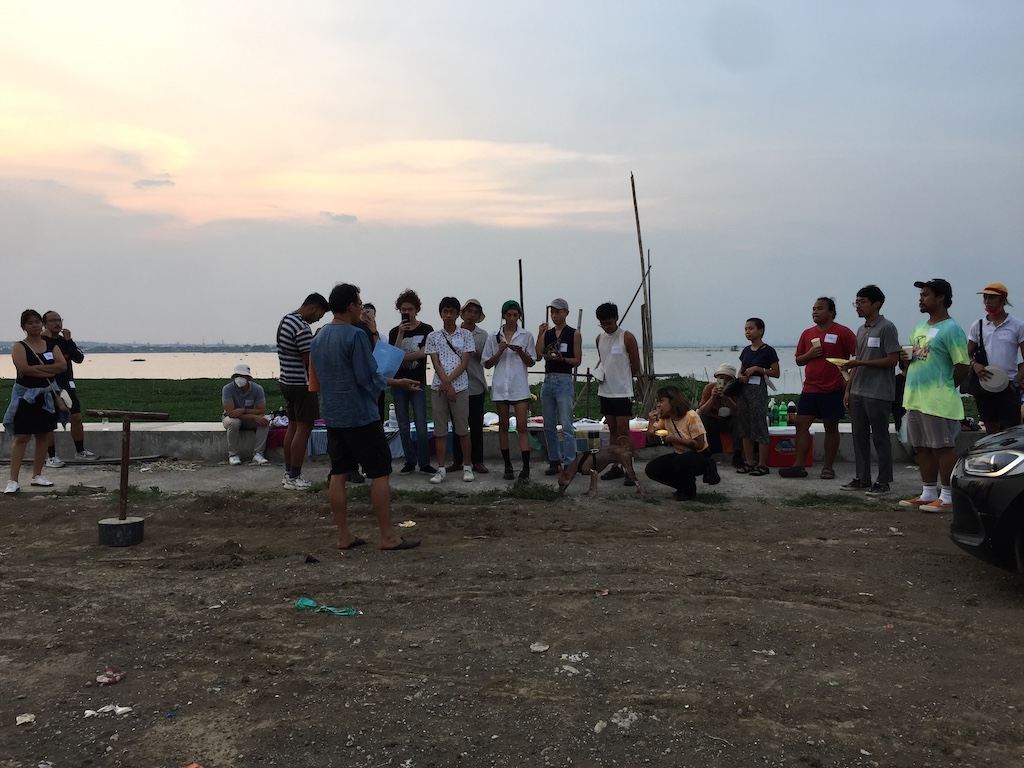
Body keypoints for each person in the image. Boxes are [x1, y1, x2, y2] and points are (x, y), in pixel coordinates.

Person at [310, 283, 419, 551]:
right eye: (359, 303)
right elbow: (367, 377)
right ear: (351, 306)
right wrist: (387, 385)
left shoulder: (319, 337)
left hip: (334, 415)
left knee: (339, 472)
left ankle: (343, 534)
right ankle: (388, 536)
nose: (361, 307)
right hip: (360, 415)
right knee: (380, 472)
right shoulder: (355, 336)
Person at [898, 279, 970, 512]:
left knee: (942, 447)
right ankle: (928, 492)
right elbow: (913, 359)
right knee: (922, 447)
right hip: (915, 397)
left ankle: (948, 496)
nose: (921, 298)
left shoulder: (952, 329)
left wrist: (947, 387)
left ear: (941, 298)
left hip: (937, 399)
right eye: (921, 294)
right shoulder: (920, 327)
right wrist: (905, 360)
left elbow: (962, 365)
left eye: (926, 294)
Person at [778, 298, 857, 480]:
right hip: (810, 388)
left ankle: (828, 467)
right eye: (813, 309)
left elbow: (857, 355)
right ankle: (799, 465)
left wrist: (849, 380)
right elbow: (798, 360)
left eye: (820, 309)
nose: (815, 312)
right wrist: (810, 354)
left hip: (833, 388)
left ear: (831, 312)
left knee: (831, 427)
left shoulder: (842, 332)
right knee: (801, 424)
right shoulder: (807, 334)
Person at [840, 285, 901, 496]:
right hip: (858, 390)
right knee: (859, 436)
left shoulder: (887, 328)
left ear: (876, 304)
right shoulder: (861, 330)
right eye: (856, 302)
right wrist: (848, 389)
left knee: (881, 437)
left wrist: (861, 363)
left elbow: (892, 359)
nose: (858, 306)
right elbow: (857, 362)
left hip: (878, 392)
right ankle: (862, 477)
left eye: (862, 302)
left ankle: (883, 481)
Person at [4, 310, 67, 493]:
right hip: (26, 397)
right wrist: (48, 370)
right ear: (24, 326)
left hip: (46, 396)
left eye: (37, 322)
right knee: (22, 437)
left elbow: (62, 366)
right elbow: (24, 369)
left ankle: (37, 475)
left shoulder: (50, 346)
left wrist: (37, 367)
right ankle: (13, 480)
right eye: (30, 323)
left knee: (43, 435)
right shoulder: (19, 346)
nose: (35, 325)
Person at [277, 293, 329, 490]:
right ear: (313, 307)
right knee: (304, 428)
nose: (318, 319)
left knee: (292, 427)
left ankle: (288, 472)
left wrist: (313, 339)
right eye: (320, 315)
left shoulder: (287, 320)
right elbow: (309, 359)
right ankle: (295, 475)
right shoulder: (301, 326)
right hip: (302, 383)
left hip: (286, 380)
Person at [483, 300, 537, 481]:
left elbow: (531, 361)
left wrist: (520, 351)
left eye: (515, 315)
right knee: (503, 426)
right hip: (500, 386)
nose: (512, 318)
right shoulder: (494, 336)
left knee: (522, 426)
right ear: (503, 315)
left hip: (519, 386)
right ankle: (508, 466)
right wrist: (499, 351)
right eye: (509, 315)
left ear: (519, 316)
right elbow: (487, 363)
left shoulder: (526, 335)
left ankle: (526, 468)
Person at [424, 297, 476, 484]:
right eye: (445, 311)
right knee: (440, 431)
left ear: (457, 314)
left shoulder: (466, 335)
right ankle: (441, 469)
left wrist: (450, 383)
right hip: (439, 388)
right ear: (440, 314)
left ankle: (467, 467)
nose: (448, 315)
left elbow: (464, 363)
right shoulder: (433, 336)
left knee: (463, 429)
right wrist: (445, 384)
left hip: (460, 387)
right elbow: (435, 362)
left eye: (452, 312)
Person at [966, 282, 1024, 434]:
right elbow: (967, 353)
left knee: (1012, 429)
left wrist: (1016, 383)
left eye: (992, 298)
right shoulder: (978, 325)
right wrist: (975, 364)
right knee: (991, 429)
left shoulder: (1017, 325)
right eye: (985, 298)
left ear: (1003, 300)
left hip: (1008, 384)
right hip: (985, 384)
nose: (987, 301)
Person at [388, 289, 435, 475]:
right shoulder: (394, 331)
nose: (407, 312)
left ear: (417, 309)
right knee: (403, 423)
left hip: (418, 381)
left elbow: (425, 352)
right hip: (398, 382)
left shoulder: (426, 329)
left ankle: (424, 463)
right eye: (403, 309)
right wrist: (400, 334)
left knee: (421, 422)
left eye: (410, 308)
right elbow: (393, 355)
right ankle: (409, 461)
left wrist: (404, 356)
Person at [41, 310, 96, 466]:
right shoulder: (41, 342)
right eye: (53, 320)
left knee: (76, 417)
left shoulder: (65, 341)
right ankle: (51, 456)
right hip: (48, 386)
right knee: (49, 422)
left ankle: (80, 451)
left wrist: (69, 341)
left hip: (67, 386)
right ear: (45, 324)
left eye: (59, 320)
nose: (57, 323)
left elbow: (79, 358)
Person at [594, 302, 641, 484]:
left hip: (622, 391)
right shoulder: (600, 339)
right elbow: (604, 361)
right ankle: (616, 465)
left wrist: (623, 378)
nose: (606, 327)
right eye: (603, 324)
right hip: (605, 390)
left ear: (616, 319)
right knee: (612, 429)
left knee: (623, 430)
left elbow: (635, 365)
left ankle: (629, 467)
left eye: (609, 323)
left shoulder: (627, 337)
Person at [537, 298, 582, 476]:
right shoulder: (548, 334)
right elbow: (538, 355)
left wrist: (562, 359)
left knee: (566, 424)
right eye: (552, 312)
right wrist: (540, 333)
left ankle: (570, 462)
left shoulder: (573, 334)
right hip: (548, 380)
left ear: (566, 313)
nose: (555, 316)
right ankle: (554, 460)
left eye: (558, 312)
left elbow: (577, 360)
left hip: (564, 379)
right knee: (548, 424)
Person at [644, 386, 710, 501]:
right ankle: (683, 487)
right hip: (680, 455)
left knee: (679, 461)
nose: (658, 405)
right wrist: (651, 422)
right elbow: (652, 440)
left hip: (700, 456)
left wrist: (675, 439)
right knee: (652, 468)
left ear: (672, 401)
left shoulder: (691, 416)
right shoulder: (666, 418)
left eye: (661, 401)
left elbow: (700, 444)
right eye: (658, 401)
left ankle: (689, 491)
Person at [735, 317, 780, 476]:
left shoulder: (768, 350)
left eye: (751, 328)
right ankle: (749, 462)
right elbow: (741, 370)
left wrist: (759, 369)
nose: (747, 332)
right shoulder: (746, 350)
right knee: (745, 426)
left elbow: (776, 372)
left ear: (760, 330)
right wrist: (741, 376)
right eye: (746, 329)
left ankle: (762, 464)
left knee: (759, 426)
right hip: (744, 390)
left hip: (758, 391)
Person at [449, 299, 489, 474]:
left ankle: (477, 461)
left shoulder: (483, 335)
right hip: (456, 385)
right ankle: (458, 460)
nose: (472, 315)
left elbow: (487, 361)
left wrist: (473, 352)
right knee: (458, 424)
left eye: (476, 312)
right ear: (462, 313)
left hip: (476, 385)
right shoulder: (453, 332)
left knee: (476, 424)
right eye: (469, 311)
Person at [222, 363, 270, 466]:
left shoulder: (257, 389)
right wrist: (253, 415)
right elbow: (231, 413)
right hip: (231, 418)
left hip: (247, 418)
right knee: (234, 422)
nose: (239, 379)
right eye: (237, 376)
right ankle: (233, 455)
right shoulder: (227, 389)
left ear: (248, 378)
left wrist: (243, 410)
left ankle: (258, 454)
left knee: (265, 422)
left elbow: (261, 410)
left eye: (242, 376)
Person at [697, 363, 743, 468]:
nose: (724, 381)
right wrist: (713, 397)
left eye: (727, 379)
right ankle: (705, 453)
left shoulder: (736, 390)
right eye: (721, 378)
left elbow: (738, 412)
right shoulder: (709, 388)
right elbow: (702, 412)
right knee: (702, 419)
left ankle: (738, 455)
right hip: (713, 420)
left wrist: (727, 398)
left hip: (729, 420)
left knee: (739, 420)